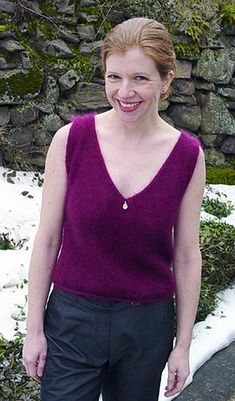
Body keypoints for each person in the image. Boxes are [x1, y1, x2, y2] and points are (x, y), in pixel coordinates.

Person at [23, 17, 205, 401]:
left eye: (140, 78)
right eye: (113, 77)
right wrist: (34, 328)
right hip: (71, 321)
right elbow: (48, 238)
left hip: (146, 328)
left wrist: (183, 344)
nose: (125, 92)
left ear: (166, 80)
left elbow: (187, 254)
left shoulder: (187, 155)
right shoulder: (71, 141)